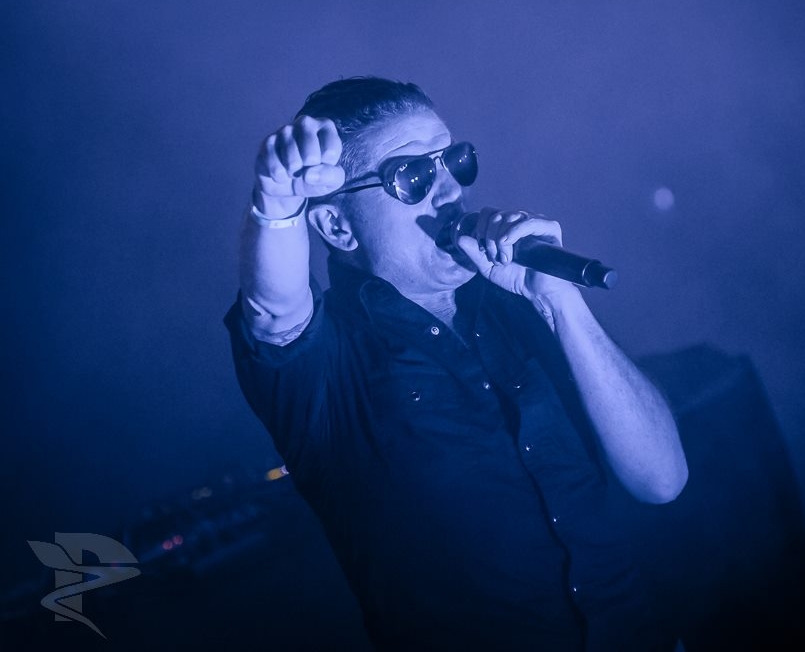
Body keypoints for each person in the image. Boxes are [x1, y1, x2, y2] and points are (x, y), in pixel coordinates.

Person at [224, 76, 688, 651]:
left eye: (454, 162)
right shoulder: (328, 360)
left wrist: (562, 304)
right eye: (412, 176)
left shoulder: (521, 301)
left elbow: (663, 481)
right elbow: (275, 312)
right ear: (338, 226)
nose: (448, 191)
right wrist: (275, 202)